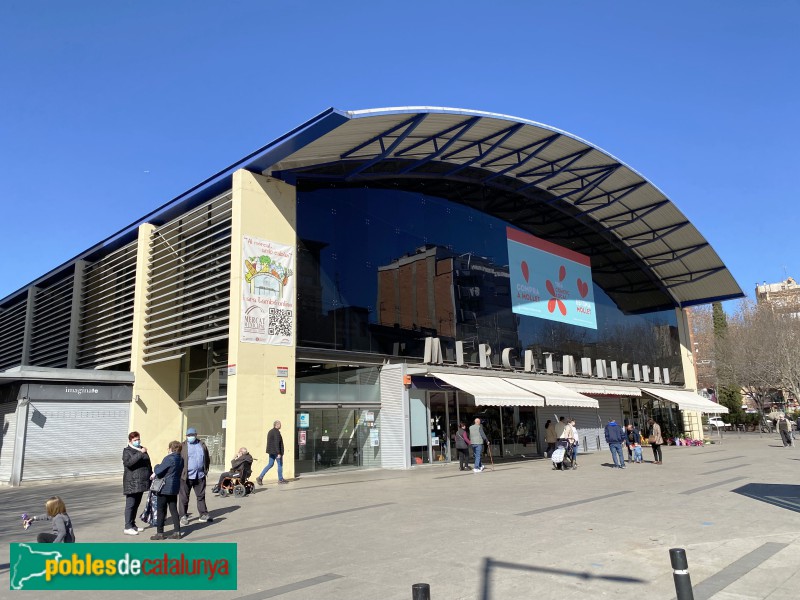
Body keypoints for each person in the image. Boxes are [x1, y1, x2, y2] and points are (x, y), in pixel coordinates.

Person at [151, 440, 184, 540]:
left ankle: (160, 533)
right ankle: (177, 532)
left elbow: (159, 471)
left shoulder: (168, 458)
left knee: (161, 510)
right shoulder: (180, 459)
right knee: (173, 509)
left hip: (164, 487)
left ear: (171, 448)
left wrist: (156, 466)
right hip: (174, 487)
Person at [179, 427, 211, 526]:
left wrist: (205, 470)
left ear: (196, 435)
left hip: (200, 475)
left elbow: (207, 458)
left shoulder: (202, 445)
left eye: (192, 435)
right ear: (186, 436)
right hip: (186, 476)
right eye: (188, 435)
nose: (190, 437)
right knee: (184, 497)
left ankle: (203, 514)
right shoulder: (183, 446)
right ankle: (183, 516)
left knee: (201, 496)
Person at [122, 430, 152, 535]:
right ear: (130, 441)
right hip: (132, 482)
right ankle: (127, 526)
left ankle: (132, 525)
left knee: (136, 504)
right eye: (135, 440)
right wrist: (140, 453)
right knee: (130, 504)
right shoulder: (127, 451)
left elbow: (148, 463)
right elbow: (128, 463)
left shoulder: (142, 449)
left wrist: (151, 475)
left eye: (138, 439)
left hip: (141, 482)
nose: (138, 441)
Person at [257, 420, 289, 485]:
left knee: (270, 464)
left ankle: (260, 477)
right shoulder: (276, 432)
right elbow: (276, 443)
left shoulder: (270, 431)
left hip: (271, 452)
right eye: (280, 424)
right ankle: (280, 479)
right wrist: (278, 453)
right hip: (276, 452)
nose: (281, 425)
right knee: (280, 465)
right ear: (276, 425)